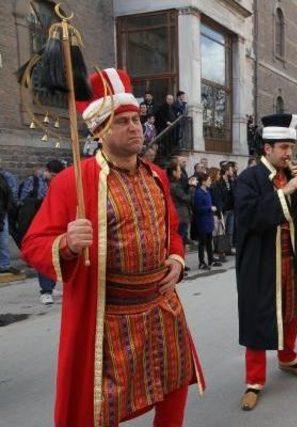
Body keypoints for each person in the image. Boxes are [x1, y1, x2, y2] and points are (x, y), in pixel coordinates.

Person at [21, 68, 204, 427]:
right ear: (100, 130)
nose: (135, 127)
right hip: (111, 316)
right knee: (104, 405)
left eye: (137, 119)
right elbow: (33, 244)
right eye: (123, 122)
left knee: (176, 382)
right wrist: (67, 244)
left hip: (163, 308)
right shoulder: (72, 181)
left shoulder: (157, 176)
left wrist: (178, 260)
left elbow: (173, 232)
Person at [235, 113, 297, 411]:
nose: (289, 153)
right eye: (283, 147)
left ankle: (288, 359)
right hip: (260, 263)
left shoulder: (289, 176)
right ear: (267, 149)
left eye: (291, 146)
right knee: (258, 318)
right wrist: (283, 192)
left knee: (291, 312)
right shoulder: (248, 178)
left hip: (290, 258)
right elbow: (250, 218)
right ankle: (254, 381)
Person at [18, 160, 65, 304]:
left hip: (56, 223)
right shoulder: (34, 182)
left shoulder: (61, 182)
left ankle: (50, 286)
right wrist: (41, 201)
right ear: (47, 171)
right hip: (37, 222)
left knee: (56, 256)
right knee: (44, 255)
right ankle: (45, 291)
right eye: (53, 175)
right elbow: (22, 200)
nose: (55, 178)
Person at [167, 157, 193, 273]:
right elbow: (186, 198)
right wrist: (192, 187)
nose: (181, 173)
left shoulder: (176, 184)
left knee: (183, 240)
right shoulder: (174, 186)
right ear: (173, 172)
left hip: (182, 215)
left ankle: (182, 263)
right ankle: (179, 265)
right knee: (181, 241)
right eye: (179, 170)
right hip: (180, 216)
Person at [193, 172, 221, 270]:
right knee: (202, 243)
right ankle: (201, 262)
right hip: (202, 221)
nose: (210, 182)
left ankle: (211, 260)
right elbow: (198, 209)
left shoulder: (207, 191)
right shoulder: (198, 193)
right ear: (203, 182)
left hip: (208, 220)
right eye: (209, 180)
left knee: (209, 241)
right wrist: (210, 208)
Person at [212, 161, 236, 255]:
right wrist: (221, 208)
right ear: (226, 171)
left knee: (230, 230)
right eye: (231, 170)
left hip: (232, 208)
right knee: (222, 230)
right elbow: (220, 196)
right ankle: (220, 249)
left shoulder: (231, 181)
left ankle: (228, 248)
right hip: (224, 209)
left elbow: (233, 193)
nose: (232, 171)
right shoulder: (219, 182)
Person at [0, 165, 19, 276]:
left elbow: (9, 194)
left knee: (3, 240)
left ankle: (4, 265)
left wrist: (8, 209)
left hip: (2, 213)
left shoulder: (5, 177)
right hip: (3, 212)